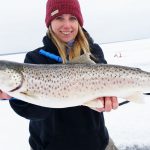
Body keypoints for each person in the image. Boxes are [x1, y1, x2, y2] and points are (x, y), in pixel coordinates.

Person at [0, 0, 119, 149]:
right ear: (49, 22)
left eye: (72, 18)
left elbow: (106, 88)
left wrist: (105, 100)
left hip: (96, 143)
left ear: (79, 22)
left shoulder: (93, 51)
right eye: (59, 18)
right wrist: (14, 96)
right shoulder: (35, 58)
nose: (67, 25)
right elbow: (35, 113)